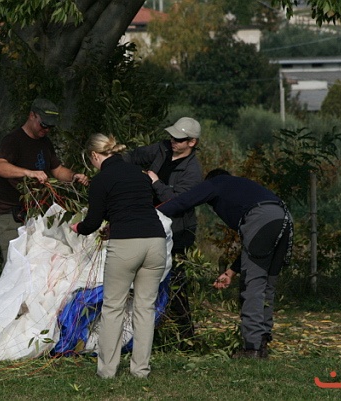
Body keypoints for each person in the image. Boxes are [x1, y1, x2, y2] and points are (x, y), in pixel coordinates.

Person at [157, 169, 293, 359]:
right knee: (267, 285)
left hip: (262, 218)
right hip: (284, 217)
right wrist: (231, 272)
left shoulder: (217, 182)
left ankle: (252, 347)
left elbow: (183, 201)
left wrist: (150, 214)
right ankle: (262, 342)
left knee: (253, 286)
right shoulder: (245, 189)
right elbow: (253, 247)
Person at [70, 134, 167, 378]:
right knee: (145, 308)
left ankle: (107, 370)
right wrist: (114, 224)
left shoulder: (101, 180)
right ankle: (140, 370)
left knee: (113, 307)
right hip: (156, 242)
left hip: (126, 246)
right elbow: (136, 207)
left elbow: (92, 222)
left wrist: (78, 227)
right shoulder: (139, 174)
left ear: (94, 155)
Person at [122, 117, 202, 346]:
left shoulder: (193, 171)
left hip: (177, 231)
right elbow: (131, 156)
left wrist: (155, 182)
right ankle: (141, 330)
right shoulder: (161, 149)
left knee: (175, 282)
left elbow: (177, 202)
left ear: (192, 142)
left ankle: (185, 334)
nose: (173, 141)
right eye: (172, 137)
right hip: (150, 224)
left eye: (180, 139)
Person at [0, 98, 89, 263]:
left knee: (37, 263)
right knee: (16, 263)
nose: (46, 130)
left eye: (50, 127)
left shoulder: (45, 143)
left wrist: (74, 176)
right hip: (10, 216)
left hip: (35, 214)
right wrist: (28, 173)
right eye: (43, 125)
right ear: (32, 116)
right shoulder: (13, 140)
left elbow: (57, 170)